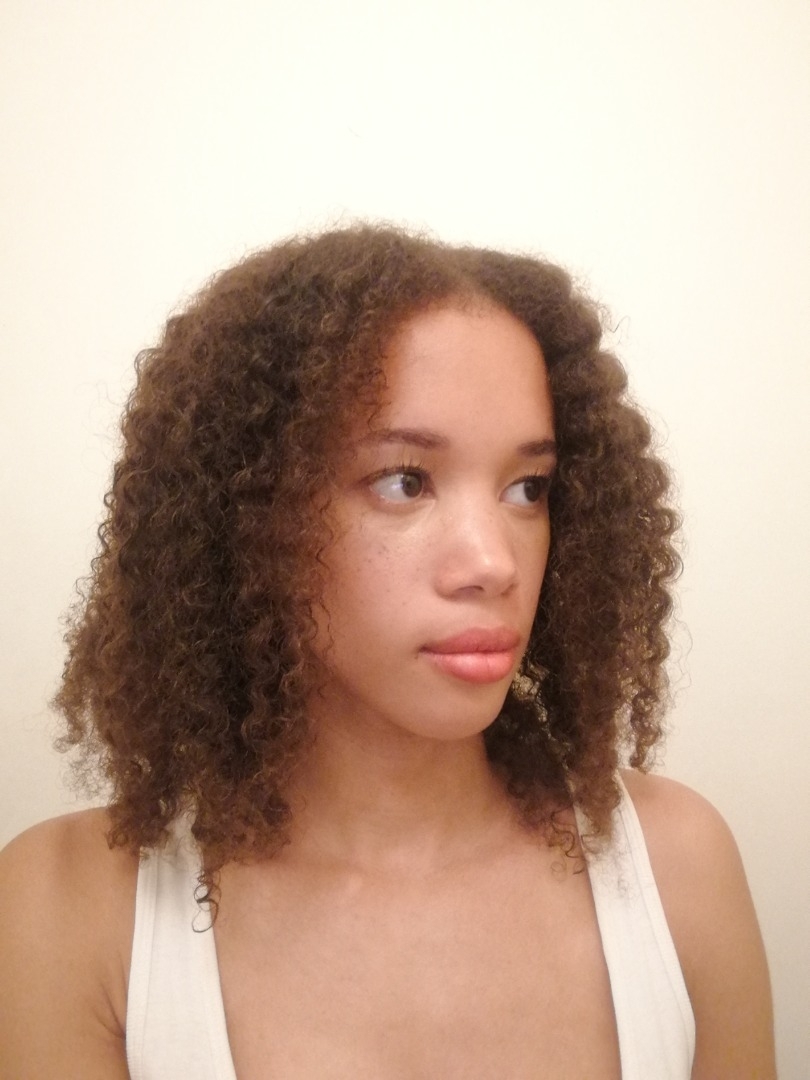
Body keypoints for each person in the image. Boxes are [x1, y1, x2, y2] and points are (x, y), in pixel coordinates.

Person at [0, 225, 775, 1079]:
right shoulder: (68, 910)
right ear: (250, 518)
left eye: (528, 488)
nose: (494, 563)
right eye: (405, 481)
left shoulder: (677, 869)